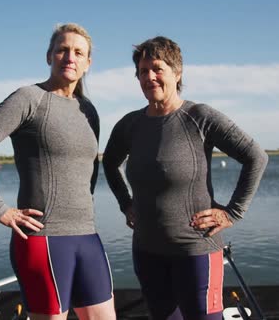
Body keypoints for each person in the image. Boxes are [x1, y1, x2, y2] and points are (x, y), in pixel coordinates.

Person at [102, 36, 268, 320]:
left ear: (177, 73)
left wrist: (232, 213)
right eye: (142, 71)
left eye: (157, 69)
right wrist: (125, 203)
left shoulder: (199, 116)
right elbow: (109, 162)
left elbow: (256, 157)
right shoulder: (130, 124)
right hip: (146, 251)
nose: (149, 77)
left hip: (196, 251)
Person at [0, 23, 116, 320]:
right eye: (62, 50)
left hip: (87, 235)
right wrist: (0, 209)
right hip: (43, 239)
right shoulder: (29, 98)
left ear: (88, 63)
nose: (70, 57)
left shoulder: (88, 110)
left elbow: (89, 169)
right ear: (49, 56)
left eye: (78, 52)